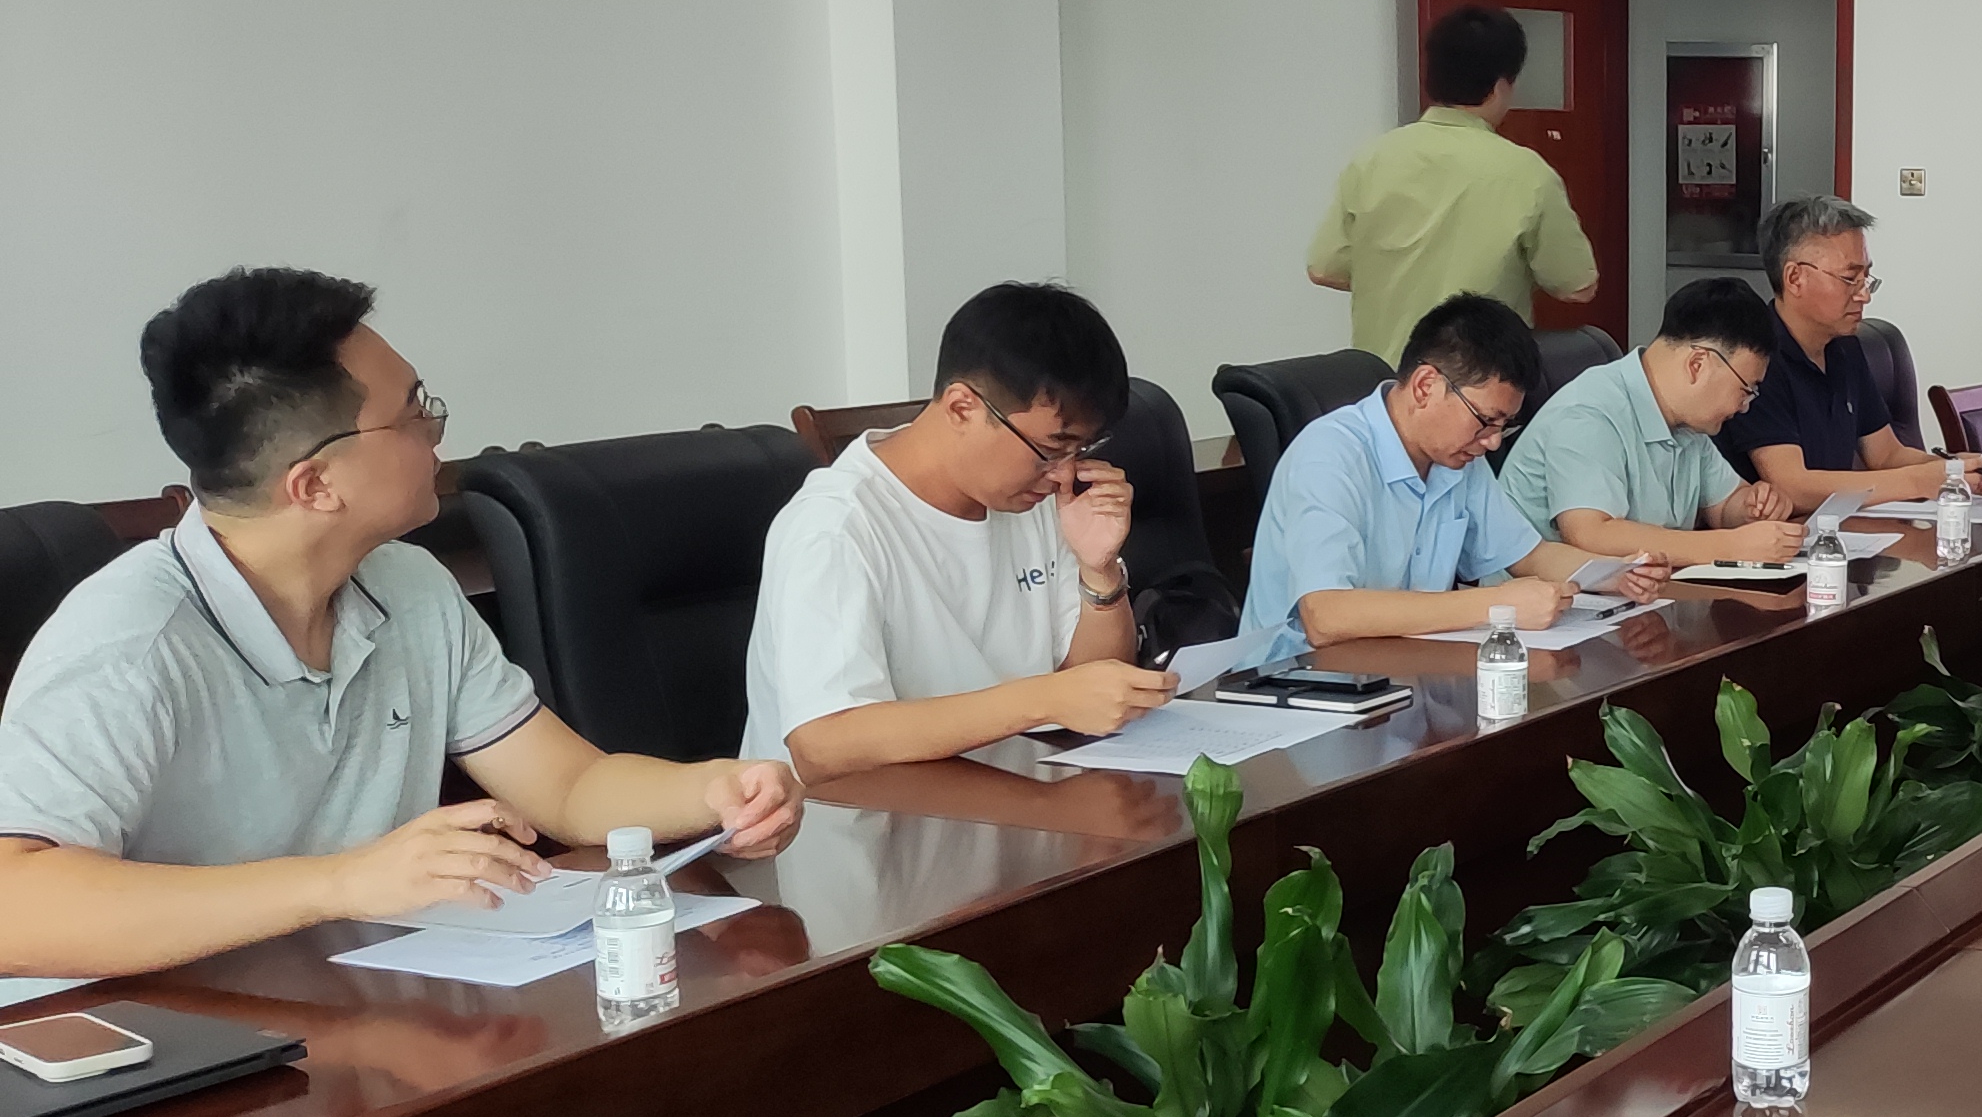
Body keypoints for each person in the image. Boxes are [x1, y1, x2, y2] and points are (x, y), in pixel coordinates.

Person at [0, 269, 801, 980]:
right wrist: (340, 882)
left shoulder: (408, 587)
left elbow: (568, 786)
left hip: (350, 1004)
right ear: (315, 486)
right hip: (167, 1044)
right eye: (414, 414)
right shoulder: (130, 644)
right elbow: (16, 904)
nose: (436, 433)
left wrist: (712, 791)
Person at [744, 282, 1175, 780]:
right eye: (1052, 449)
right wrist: (1041, 699)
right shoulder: (836, 526)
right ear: (962, 408)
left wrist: (1099, 571)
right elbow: (824, 744)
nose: (1063, 473)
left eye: (1080, 450)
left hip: (1012, 797)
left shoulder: (1033, 496)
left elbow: (1092, 695)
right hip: (869, 816)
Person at [1241, 295, 1669, 654]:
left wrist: (1614, 573)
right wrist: (1496, 606)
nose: (1493, 442)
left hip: (1405, 671)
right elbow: (1325, 615)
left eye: (1504, 426)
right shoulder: (1329, 456)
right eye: (1485, 420)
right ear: (1425, 386)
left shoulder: (1457, 459)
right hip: (1299, 687)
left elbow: (1530, 555)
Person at [1306, 4, 1600, 370]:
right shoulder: (1527, 173)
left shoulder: (1371, 159)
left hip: (1383, 379)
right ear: (1501, 86)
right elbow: (1577, 286)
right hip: (1478, 381)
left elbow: (1324, 269)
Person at [1497, 278, 1805, 568]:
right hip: (1537, 601)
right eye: (1746, 389)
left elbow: (1724, 506)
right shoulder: (1588, 412)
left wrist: (1753, 507)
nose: (1745, 406)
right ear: (1697, 364)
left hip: (1638, 593)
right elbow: (1591, 533)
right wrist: (1729, 546)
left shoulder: (1690, 424)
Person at [1719, 196, 1982, 511]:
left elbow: (1886, 455)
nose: (1864, 295)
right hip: (1777, 532)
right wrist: (1919, 481)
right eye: (1850, 279)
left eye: (1866, 279)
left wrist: (1956, 469)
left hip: (1840, 527)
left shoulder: (1845, 346)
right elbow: (1792, 486)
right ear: (1795, 278)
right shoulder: (1756, 358)